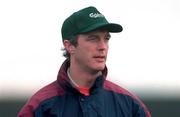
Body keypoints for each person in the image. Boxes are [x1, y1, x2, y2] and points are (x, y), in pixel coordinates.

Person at [18, 6, 151, 117]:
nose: (103, 46)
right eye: (93, 38)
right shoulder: (40, 106)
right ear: (69, 46)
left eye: (106, 38)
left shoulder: (130, 105)